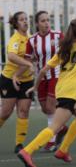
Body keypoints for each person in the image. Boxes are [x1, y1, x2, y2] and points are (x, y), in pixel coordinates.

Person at [17, 18, 76, 167]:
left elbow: (44, 69)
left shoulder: (65, 48)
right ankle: (27, 151)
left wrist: (36, 86)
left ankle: (62, 150)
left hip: (62, 89)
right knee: (54, 128)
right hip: (70, 92)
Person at [13, 11, 67, 152]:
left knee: (50, 107)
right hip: (41, 78)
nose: (46, 23)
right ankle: (61, 128)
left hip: (56, 75)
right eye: (43, 21)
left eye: (48, 20)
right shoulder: (32, 40)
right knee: (45, 109)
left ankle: (52, 141)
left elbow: (68, 52)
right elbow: (28, 60)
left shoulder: (58, 35)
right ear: (37, 23)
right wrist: (16, 75)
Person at [0, 11, 34, 153]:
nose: (25, 22)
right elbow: (12, 56)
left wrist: (30, 65)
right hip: (8, 79)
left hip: (26, 81)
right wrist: (28, 65)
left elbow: (31, 58)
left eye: (26, 19)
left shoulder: (32, 39)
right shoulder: (15, 39)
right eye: (22, 20)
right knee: (6, 113)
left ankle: (19, 145)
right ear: (16, 23)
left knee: (24, 111)